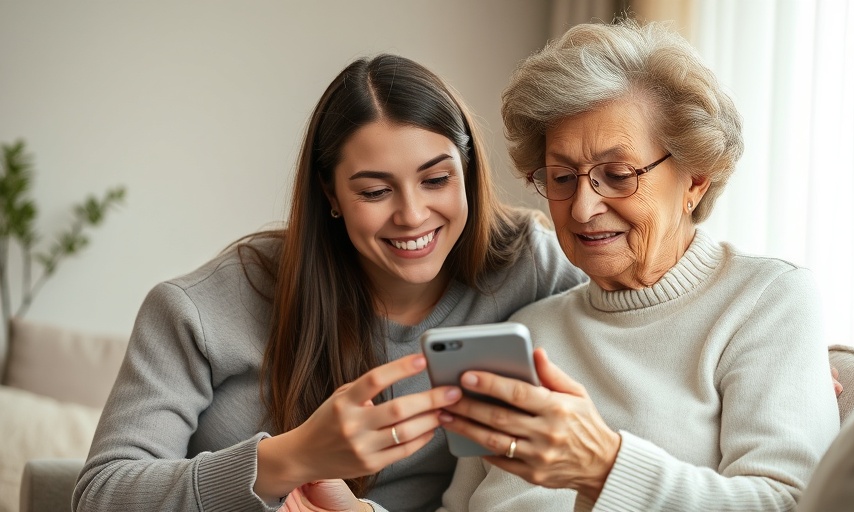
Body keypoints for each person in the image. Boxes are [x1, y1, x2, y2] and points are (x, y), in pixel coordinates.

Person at [298, 19, 842, 512]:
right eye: (561, 178)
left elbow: (790, 503)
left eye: (619, 174)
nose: (582, 208)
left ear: (695, 178)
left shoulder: (765, 301)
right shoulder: (529, 329)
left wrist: (604, 467)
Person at [72, 54, 586, 512]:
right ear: (331, 194)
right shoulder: (200, 310)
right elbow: (101, 494)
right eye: (375, 190)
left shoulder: (530, 266)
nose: (412, 214)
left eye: (436, 180)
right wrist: (292, 457)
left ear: (468, 171)